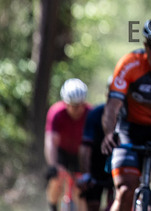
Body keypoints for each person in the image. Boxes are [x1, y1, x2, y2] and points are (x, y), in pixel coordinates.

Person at [101, 15, 151, 211]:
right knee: (126, 190)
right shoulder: (130, 64)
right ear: (145, 46)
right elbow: (112, 106)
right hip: (130, 128)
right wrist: (109, 133)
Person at [45, 78, 91, 211]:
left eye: (80, 105)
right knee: (56, 179)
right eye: (73, 105)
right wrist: (53, 165)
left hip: (81, 153)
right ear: (66, 103)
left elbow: (92, 144)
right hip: (62, 151)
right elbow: (50, 141)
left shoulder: (90, 113)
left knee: (81, 189)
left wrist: (88, 169)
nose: (77, 109)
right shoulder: (56, 113)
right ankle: (53, 207)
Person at [78, 76, 114, 211]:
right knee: (93, 205)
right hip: (96, 166)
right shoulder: (95, 114)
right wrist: (86, 174)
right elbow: (85, 148)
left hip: (119, 165)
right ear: (107, 94)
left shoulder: (132, 115)